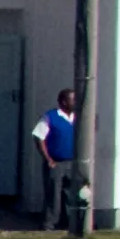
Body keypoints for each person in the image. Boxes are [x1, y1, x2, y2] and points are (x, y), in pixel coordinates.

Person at [37, 87, 81, 230]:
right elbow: (39, 137)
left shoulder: (77, 117)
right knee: (53, 195)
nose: (75, 102)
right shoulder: (51, 117)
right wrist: (48, 158)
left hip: (73, 162)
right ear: (63, 101)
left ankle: (70, 223)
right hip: (56, 162)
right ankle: (49, 223)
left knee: (71, 194)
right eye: (72, 99)